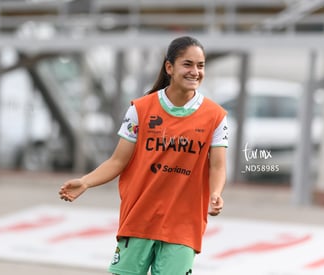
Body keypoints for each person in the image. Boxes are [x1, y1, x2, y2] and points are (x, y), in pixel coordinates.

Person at [58, 35, 228, 275]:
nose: (195, 72)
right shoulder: (140, 109)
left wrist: (216, 193)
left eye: (200, 66)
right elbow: (118, 160)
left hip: (183, 225)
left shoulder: (216, 116)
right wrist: (85, 182)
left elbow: (218, 166)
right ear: (169, 67)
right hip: (138, 220)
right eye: (187, 64)